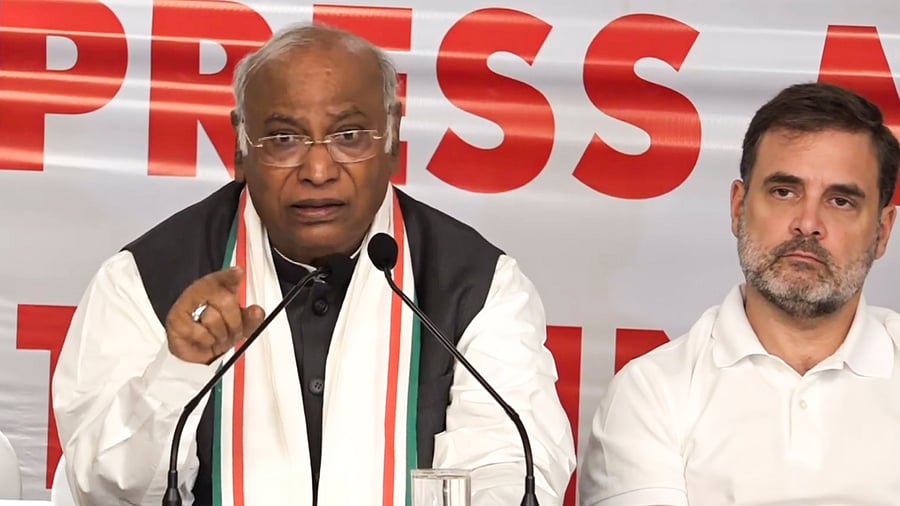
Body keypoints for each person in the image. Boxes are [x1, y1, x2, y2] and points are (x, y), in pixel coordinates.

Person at [52, 22, 575, 506]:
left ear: (392, 139)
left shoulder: (477, 286)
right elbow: (102, 489)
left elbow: (510, 470)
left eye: (349, 136)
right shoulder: (146, 279)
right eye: (284, 139)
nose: (319, 170)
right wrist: (176, 371)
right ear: (241, 146)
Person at [580, 82, 900, 506]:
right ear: (738, 207)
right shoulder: (652, 392)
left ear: (882, 231)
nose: (808, 223)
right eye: (784, 192)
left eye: (840, 201)